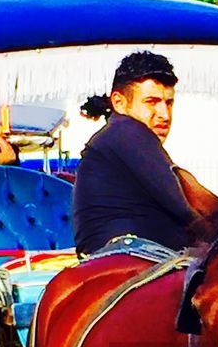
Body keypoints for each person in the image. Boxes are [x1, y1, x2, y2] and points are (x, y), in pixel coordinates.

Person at [72, 50, 197, 254]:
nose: (164, 114)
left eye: (169, 102)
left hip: (138, 254)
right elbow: (187, 206)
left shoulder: (119, 137)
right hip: (128, 256)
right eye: (151, 102)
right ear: (119, 103)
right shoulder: (126, 131)